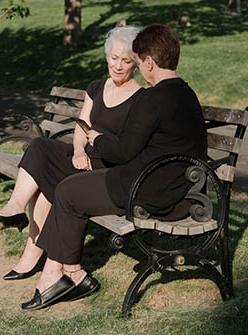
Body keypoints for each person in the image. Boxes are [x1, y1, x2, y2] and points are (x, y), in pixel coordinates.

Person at [21, 24, 207, 310]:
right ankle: (64, 274)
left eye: (137, 60)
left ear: (148, 63)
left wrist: (96, 138)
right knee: (71, 188)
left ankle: (66, 275)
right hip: (174, 186)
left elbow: (122, 151)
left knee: (68, 192)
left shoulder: (153, 98)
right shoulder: (187, 94)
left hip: (147, 189)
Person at [0, 25, 144, 280]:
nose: (118, 66)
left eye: (126, 61)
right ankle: (14, 208)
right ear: (107, 56)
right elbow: (82, 125)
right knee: (40, 147)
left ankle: (31, 255)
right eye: (114, 58)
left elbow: (128, 149)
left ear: (136, 64)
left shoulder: (141, 99)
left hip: (106, 170)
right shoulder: (97, 87)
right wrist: (78, 150)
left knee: (48, 185)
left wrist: (94, 151)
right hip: (83, 158)